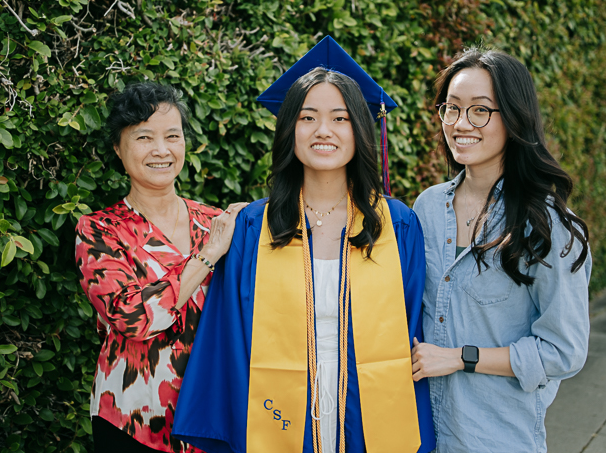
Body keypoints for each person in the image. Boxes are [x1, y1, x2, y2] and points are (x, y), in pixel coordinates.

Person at [171, 37, 436, 451]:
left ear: (360, 130)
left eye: (340, 118)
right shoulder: (252, 226)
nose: (323, 131)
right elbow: (231, 338)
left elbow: (413, 329)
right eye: (308, 118)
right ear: (289, 130)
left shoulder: (396, 224)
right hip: (274, 409)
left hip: (370, 407)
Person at [412, 48, 591, 453]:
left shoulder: (547, 225)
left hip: (496, 438)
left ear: (513, 117)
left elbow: (563, 351)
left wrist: (461, 357)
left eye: (480, 111)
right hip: (422, 435)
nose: (460, 124)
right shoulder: (425, 207)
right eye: (451, 109)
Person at [74, 82, 247, 452]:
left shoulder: (215, 221)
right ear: (119, 149)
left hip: (214, 414)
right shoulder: (100, 231)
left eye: (173, 136)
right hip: (132, 419)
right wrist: (206, 256)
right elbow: (135, 317)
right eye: (144, 138)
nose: (161, 150)